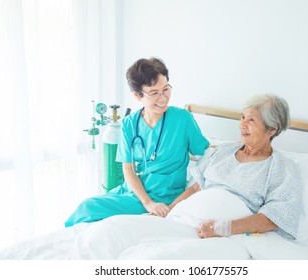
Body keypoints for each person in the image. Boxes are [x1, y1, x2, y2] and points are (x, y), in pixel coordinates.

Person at [64, 57, 209, 227]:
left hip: (165, 198)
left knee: (101, 222)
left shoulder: (183, 119)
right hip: (134, 194)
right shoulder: (129, 124)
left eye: (166, 89)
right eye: (154, 93)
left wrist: (178, 201)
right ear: (137, 95)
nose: (163, 98)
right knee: (86, 207)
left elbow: (207, 157)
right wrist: (147, 203)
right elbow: (128, 168)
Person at [168, 93, 302, 240]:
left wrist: (222, 228)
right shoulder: (223, 150)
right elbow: (196, 188)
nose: (242, 124)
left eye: (251, 120)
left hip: (226, 236)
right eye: (243, 117)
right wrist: (168, 210)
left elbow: (274, 218)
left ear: (271, 130)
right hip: (184, 220)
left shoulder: (282, 169)